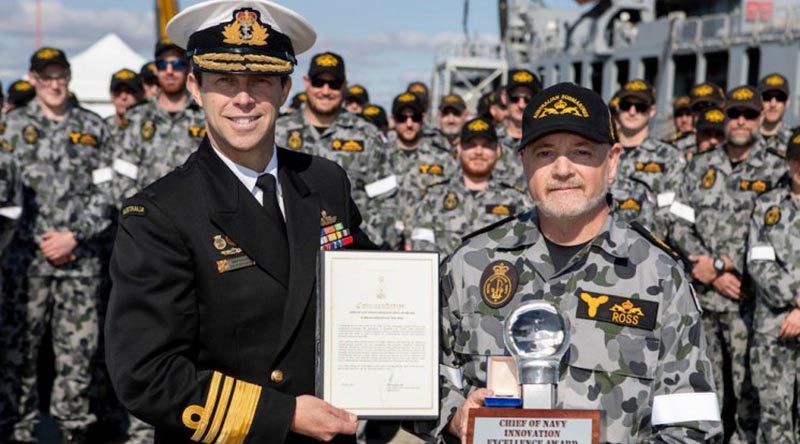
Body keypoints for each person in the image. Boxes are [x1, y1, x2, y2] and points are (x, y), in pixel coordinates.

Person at [105, 1, 375, 442]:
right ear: (195, 86)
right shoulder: (159, 213)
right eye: (225, 80)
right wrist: (281, 414)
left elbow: (373, 290)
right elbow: (147, 375)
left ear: (286, 89)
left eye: (260, 80)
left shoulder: (325, 182)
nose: (243, 98)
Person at [417, 82, 720, 443]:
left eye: (581, 152)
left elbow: (693, 426)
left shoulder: (658, 275)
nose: (562, 169)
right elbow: (418, 379)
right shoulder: (471, 264)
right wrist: (455, 415)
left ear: (612, 161)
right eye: (544, 153)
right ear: (523, 162)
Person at [0, 46, 115, 444]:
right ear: (32, 79)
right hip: (25, 263)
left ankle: (72, 430)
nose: (54, 84)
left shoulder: (94, 127)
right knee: (19, 354)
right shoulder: (10, 129)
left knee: (78, 356)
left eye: (60, 75)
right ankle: (19, 428)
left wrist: (74, 236)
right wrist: (39, 240)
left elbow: (108, 192)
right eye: (45, 77)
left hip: (80, 262)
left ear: (68, 76)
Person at [670, 85, 786, 443]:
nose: (739, 121)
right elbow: (678, 221)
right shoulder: (699, 165)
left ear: (760, 118)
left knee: (748, 396)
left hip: (749, 303)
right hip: (703, 300)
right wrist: (704, 268)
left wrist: (721, 265)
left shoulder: (776, 169)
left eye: (748, 114)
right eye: (734, 113)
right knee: (704, 394)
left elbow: (779, 234)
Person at [747, 128, 800, 443]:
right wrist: (796, 299)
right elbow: (758, 261)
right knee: (774, 419)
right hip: (774, 328)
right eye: (796, 159)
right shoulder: (767, 205)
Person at [410, 117, 529, 255]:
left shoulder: (517, 201)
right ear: (459, 149)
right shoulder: (433, 197)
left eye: (486, 145)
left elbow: (523, 251)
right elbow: (421, 252)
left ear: (497, 151)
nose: (478, 152)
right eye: (471, 145)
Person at [111, 41, 206, 205]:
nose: (169, 71)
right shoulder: (136, 117)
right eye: (163, 64)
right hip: (145, 220)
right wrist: (142, 213)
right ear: (156, 69)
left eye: (177, 64)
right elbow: (122, 175)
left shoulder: (204, 116)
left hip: (195, 218)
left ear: (188, 68)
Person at [611, 79, 683, 238]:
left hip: (648, 250)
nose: (632, 111)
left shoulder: (668, 156)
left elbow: (671, 207)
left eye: (640, 107)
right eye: (626, 105)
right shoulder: (603, 153)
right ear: (617, 107)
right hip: (602, 247)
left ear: (652, 111)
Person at [496, 69, 541, 188]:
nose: (521, 105)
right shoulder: (488, 140)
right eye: (515, 98)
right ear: (504, 98)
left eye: (528, 99)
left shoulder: (545, 140)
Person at [758, 73, 792, 156]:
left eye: (780, 98)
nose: (773, 104)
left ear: (787, 103)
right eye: (767, 97)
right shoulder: (744, 136)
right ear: (759, 101)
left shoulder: (794, 140)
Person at [105, 68, 144, 135]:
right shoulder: (102, 128)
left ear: (141, 95)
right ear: (111, 95)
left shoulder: (150, 127)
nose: (123, 97)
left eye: (129, 91)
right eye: (118, 92)